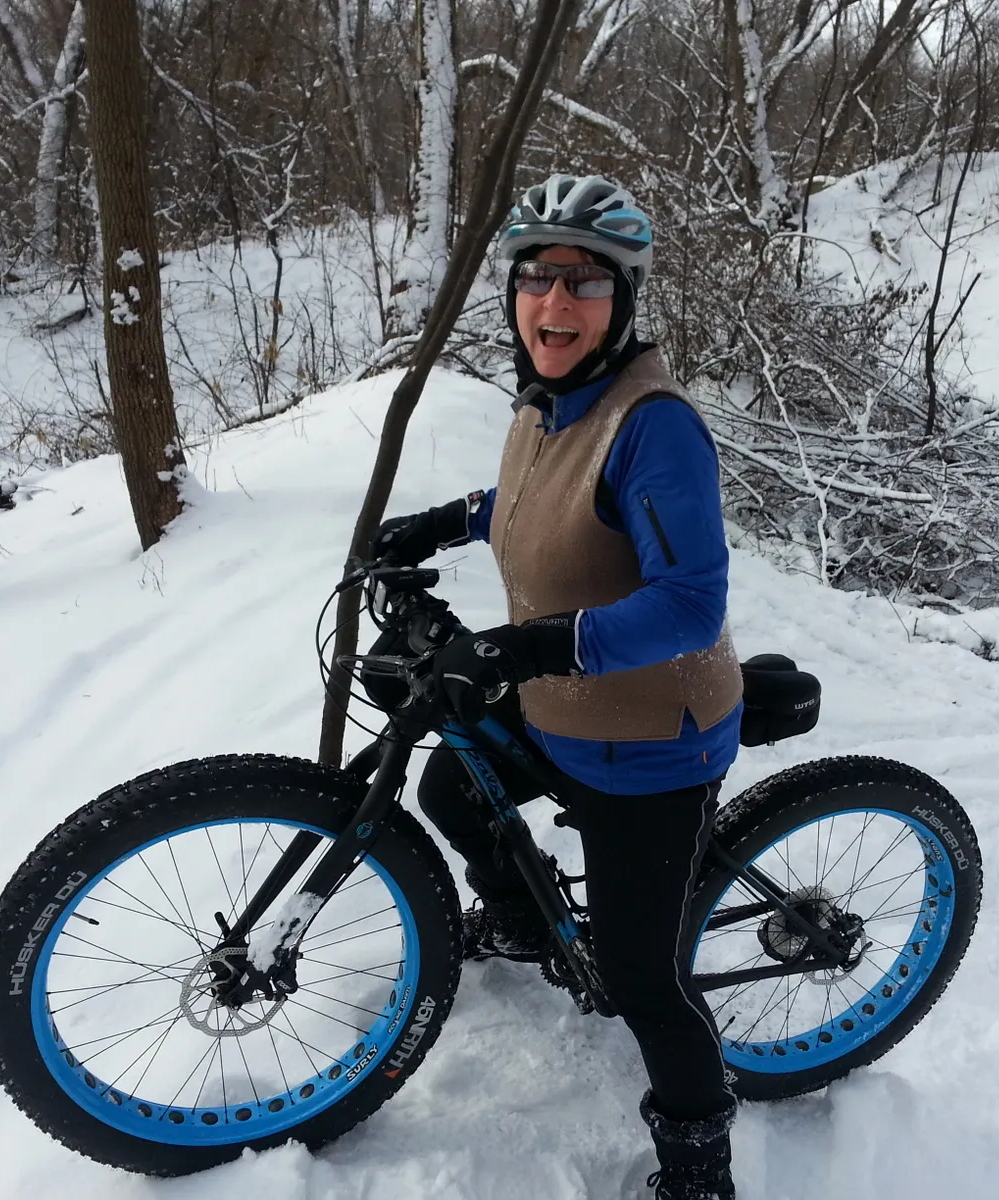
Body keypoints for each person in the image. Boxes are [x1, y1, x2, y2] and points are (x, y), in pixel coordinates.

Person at [373, 175, 743, 1200]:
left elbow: (688, 605)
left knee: (642, 981)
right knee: (453, 787)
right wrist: (443, 522)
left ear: (624, 301)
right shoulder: (551, 399)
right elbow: (530, 495)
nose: (555, 304)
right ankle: (533, 924)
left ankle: (700, 1163)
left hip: (650, 739)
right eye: (538, 278)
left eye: (585, 283)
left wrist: (527, 648)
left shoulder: (654, 426)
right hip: (564, 705)